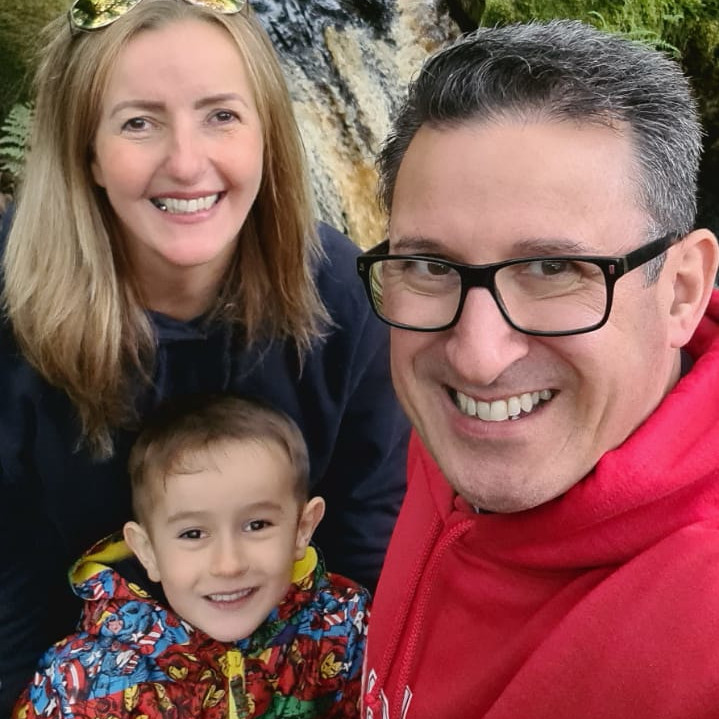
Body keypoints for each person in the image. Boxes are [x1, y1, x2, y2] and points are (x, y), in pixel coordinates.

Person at [0, 0, 408, 714]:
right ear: (86, 152)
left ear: (266, 134)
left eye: (221, 115)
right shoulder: (12, 304)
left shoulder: (340, 298)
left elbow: (371, 538)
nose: (187, 163)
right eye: (139, 122)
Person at [357, 19, 719, 719]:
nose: (476, 357)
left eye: (552, 269)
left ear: (681, 290)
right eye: (429, 265)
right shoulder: (460, 421)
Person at [12, 394, 369, 719]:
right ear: (147, 551)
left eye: (257, 525)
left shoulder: (345, 630)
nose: (229, 565)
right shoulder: (80, 685)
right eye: (193, 534)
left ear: (303, 528)